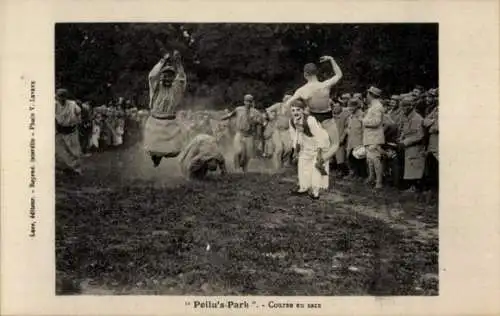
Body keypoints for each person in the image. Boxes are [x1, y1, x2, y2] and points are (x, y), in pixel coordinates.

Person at [284, 55, 342, 165]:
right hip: (327, 118)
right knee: (335, 145)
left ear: (305, 75)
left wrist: (294, 118)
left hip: (312, 118)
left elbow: (287, 104)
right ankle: (322, 160)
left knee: (313, 144)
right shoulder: (325, 85)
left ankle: (310, 159)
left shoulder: (302, 90)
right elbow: (339, 75)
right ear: (316, 73)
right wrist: (331, 60)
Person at [144, 50, 188, 167]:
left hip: (170, 123)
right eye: (165, 75)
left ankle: (162, 156)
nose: (167, 78)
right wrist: (162, 62)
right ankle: (156, 159)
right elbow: (152, 76)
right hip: (155, 122)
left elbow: (182, 78)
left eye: (170, 76)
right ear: (161, 76)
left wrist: (178, 63)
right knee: (153, 150)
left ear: (173, 77)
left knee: (174, 151)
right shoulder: (156, 86)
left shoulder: (175, 89)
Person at [289, 99, 331, 200]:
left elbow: (319, 136)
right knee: (303, 165)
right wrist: (295, 151)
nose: (295, 112)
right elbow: (295, 137)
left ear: (303, 110)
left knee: (316, 167)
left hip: (319, 143)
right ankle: (303, 187)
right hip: (306, 143)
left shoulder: (310, 120)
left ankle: (315, 192)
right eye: (293, 110)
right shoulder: (291, 121)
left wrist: (320, 154)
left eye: (298, 110)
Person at [221, 94, 262, 172]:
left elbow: (261, 122)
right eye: (246, 101)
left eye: (250, 101)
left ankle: (245, 168)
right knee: (238, 151)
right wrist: (223, 117)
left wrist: (256, 121)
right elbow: (230, 115)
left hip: (249, 135)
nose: (248, 103)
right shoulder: (238, 109)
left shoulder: (255, 112)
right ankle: (237, 168)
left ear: (252, 102)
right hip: (240, 133)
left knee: (248, 154)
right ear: (244, 101)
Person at [398, 96, 426, 192]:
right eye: (402, 106)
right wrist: (401, 137)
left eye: (404, 107)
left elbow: (419, 135)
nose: (402, 109)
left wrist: (405, 142)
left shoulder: (417, 118)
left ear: (411, 106)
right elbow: (404, 130)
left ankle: (417, 188)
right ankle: (411, 187)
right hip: (408, 146)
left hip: (416, 146)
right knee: (409, 166)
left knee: (415, 166)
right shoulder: (406, 117)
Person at [362, 86, 385, 189]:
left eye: (367, 94)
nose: (366, 96)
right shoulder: (373, 106)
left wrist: (363, 121)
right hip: (370, 137)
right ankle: (372, 178)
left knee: (375, 159)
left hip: (375, 137)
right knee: (370, 160)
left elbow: (377, 122)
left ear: (371, 95)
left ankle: (379, 182)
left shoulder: (377, 107)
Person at [55, 89, 83, 176]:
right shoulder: (55, 105)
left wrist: (78, 122)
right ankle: (63, 168)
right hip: (60, 129)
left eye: (62, 96)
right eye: (59, 96)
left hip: (71, 130)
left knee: (74, 151)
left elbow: (79, 113)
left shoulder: (72, 104)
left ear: (66, 97)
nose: (60, 98)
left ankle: (76, 169)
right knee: (59, 150)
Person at [265, 92, 294, 169]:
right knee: (279, 148)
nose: (288, 100)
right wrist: (270, 115)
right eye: (286, 98)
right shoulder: (278, 105)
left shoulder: (293, 108)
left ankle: (284, 162)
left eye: (290, 99)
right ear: (283, 99)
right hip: (276, 130)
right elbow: (268, 110)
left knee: (289, 148)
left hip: (287, 130)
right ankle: (277, 167)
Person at [345, 98, 366, 179]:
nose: (350, 108)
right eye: (349, 106)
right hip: (351, 139)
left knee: (360, 159)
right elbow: (348, 126)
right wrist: (347, 130)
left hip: (359, 140)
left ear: (356, 106)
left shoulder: (362, 115)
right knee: (351, 158)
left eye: (351, 107)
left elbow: (364, 130)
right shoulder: (351, 115)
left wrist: (363, 142)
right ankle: (354, 174)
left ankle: (362, 176)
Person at [423, 88, 439, 192]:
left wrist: (432, 125)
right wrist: (433, 121)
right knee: (433, 163)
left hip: (439, 140)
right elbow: (424, 122)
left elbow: (437, 128)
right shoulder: (436, 109)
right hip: (433, 141)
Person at [332, 101, 350, 178]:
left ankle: (343, 171)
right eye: (334, 106)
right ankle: (337, 169)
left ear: (341, 107)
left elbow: (347, 128)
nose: (335, 108)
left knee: (341, 155)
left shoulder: (345, 115)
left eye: (337, 106)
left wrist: (342, 137)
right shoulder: (331, 116)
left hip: (341, 138)